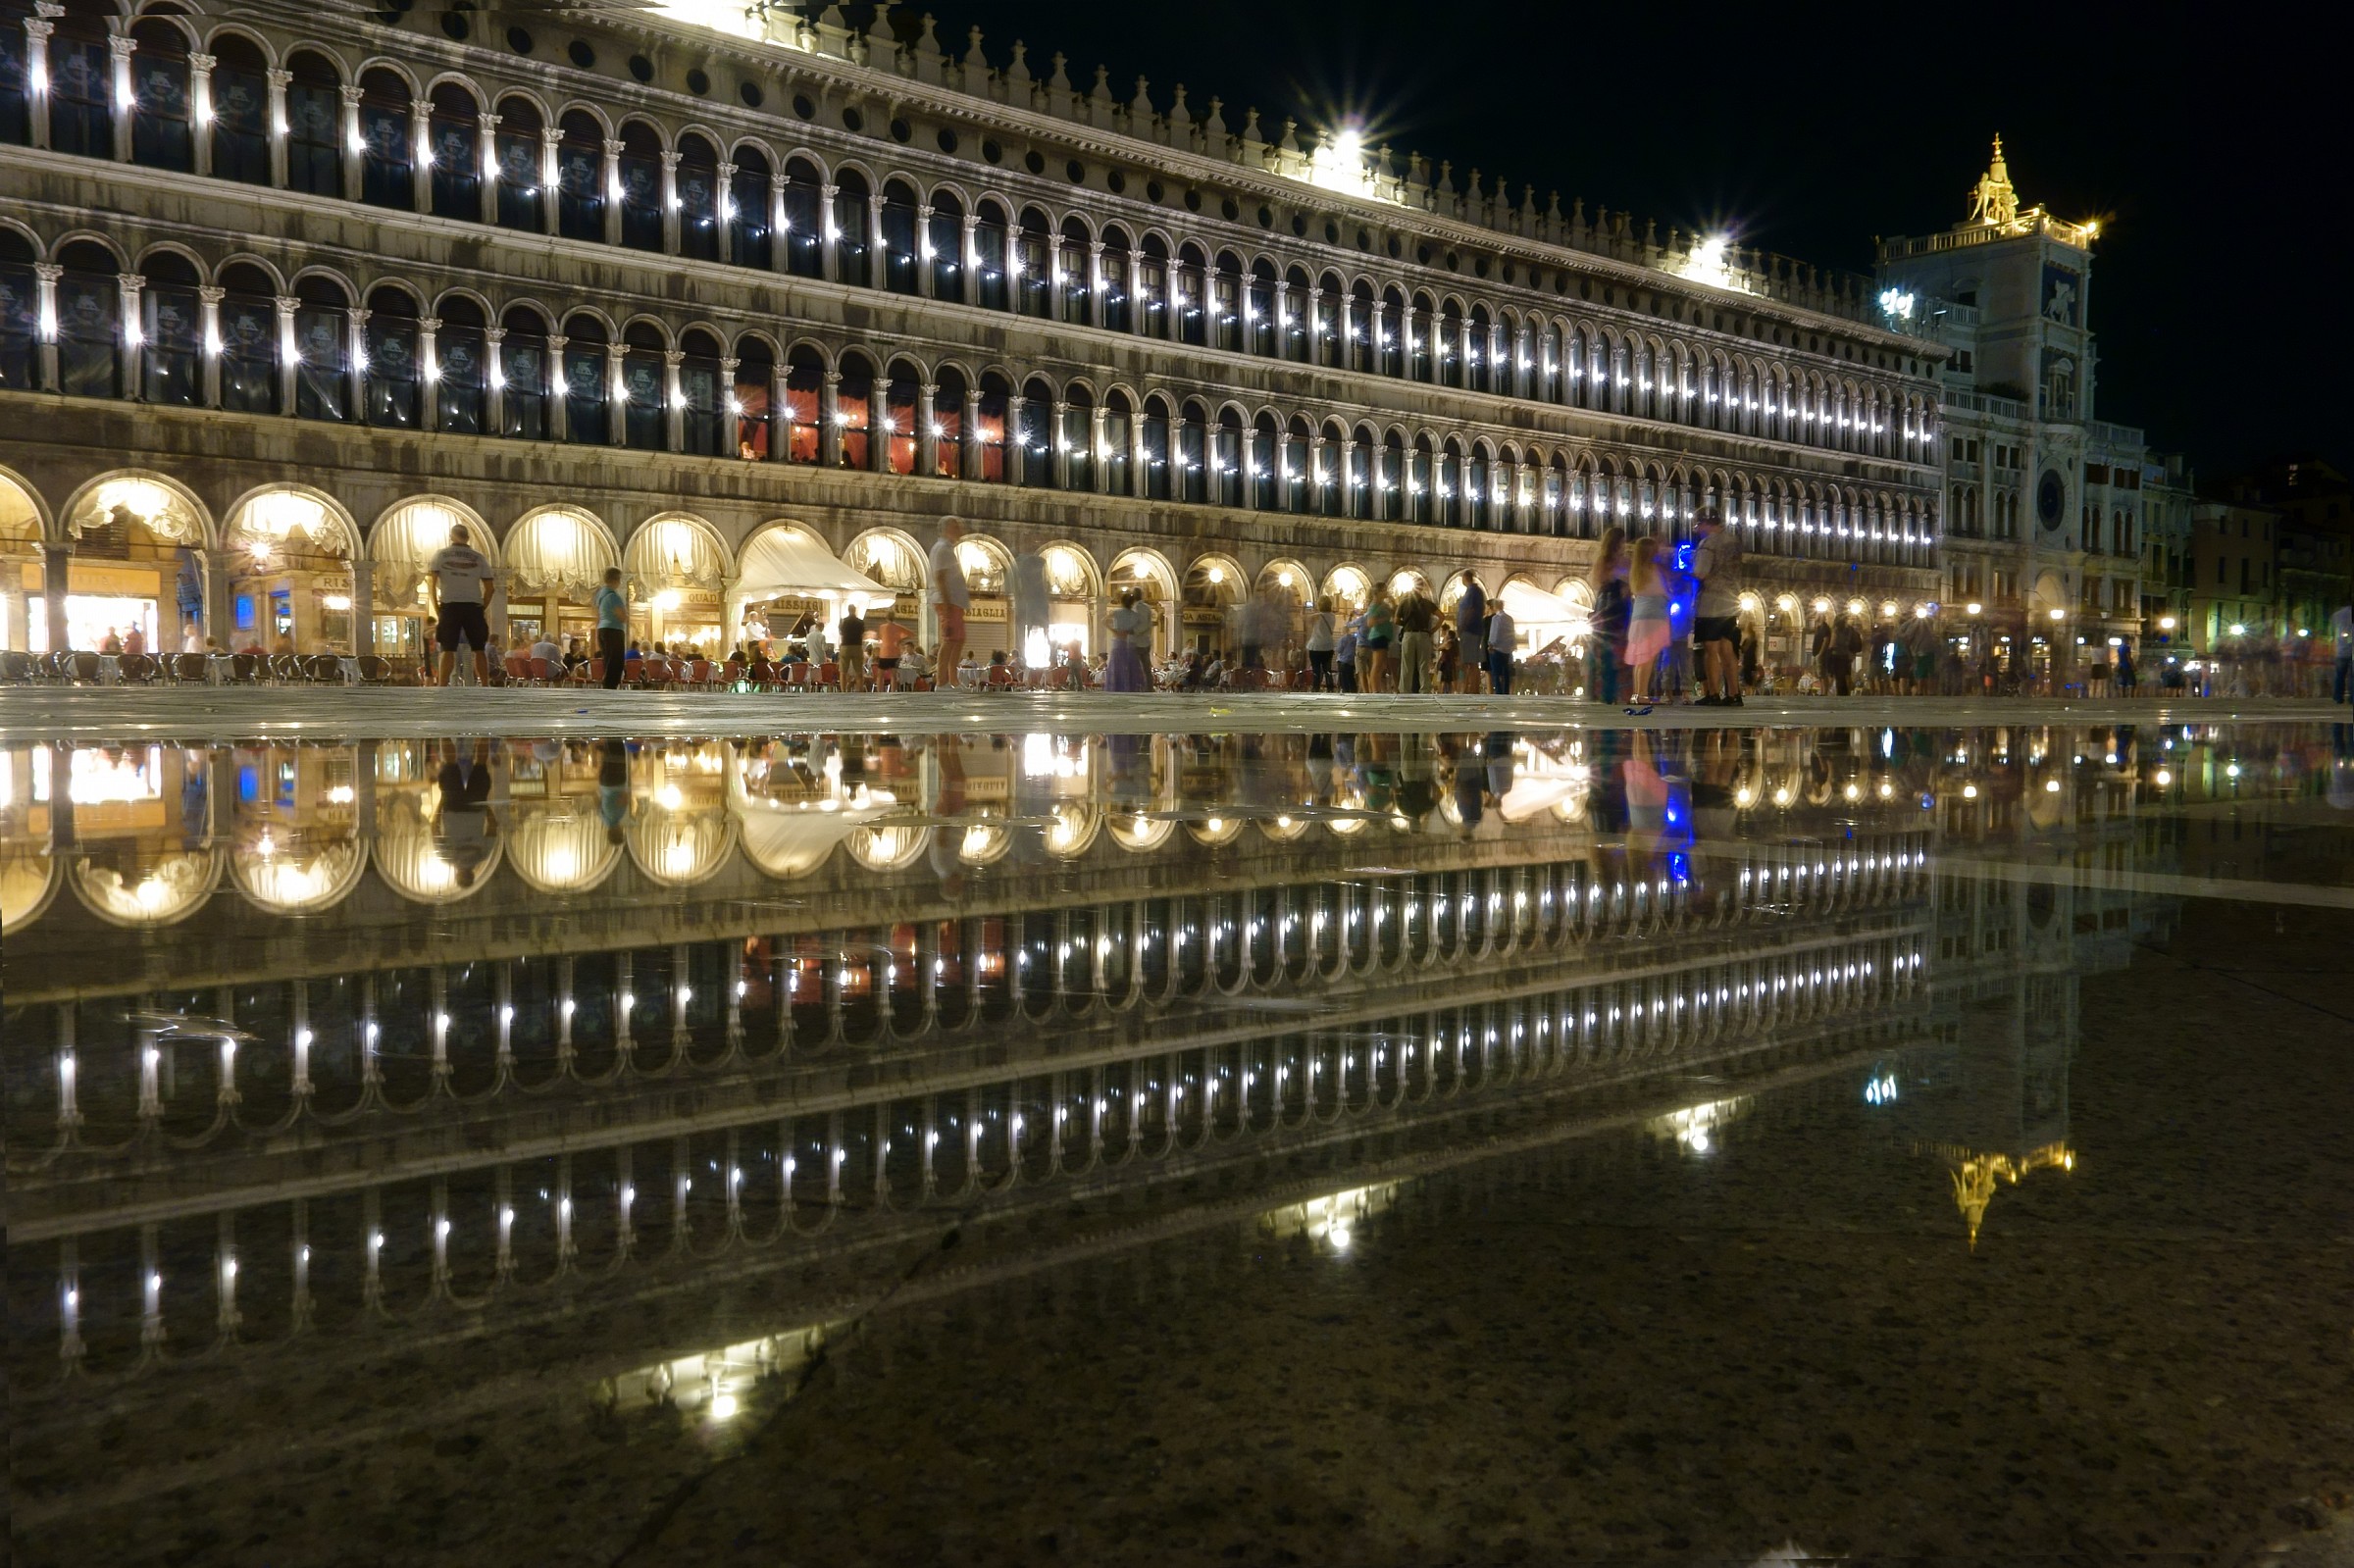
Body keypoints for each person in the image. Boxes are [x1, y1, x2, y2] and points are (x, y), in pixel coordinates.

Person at [427, 522, 498, 688]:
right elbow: (490, 588)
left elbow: (432, 583)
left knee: (448, 648)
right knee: (479, 648)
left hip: (450, 604)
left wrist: (437, 608)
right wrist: (482, 607)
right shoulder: (479, 558)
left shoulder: (440, 555)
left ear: (451, 536)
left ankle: (443, 685)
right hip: (473, 605)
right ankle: (485, 685)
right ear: (468, 538)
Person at [1689, 508, 1742, 706]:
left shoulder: (1708, 543)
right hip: (1730, 601)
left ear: (1705, 524)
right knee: (1728, 649)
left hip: (1711, 603)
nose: (1697, 530)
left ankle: (1713, 693)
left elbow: (1701, 572)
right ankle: (1734, 694)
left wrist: (1684, 572)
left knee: (1711, 649)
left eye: (1698, 525)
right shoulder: (1733, 541)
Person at [1623, 536, 1669, 715]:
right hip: (1654, 616)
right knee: (1648, 658)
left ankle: (1637, 693)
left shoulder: (1636, 570)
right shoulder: (1653, 568)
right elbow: (1662, 591)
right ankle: (1642, 694)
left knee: (1640, 658)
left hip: (1639, 616)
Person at [1588, 527, 1630, 706]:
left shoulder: (1618, 561)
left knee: (1614, 651)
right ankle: (1606, 691)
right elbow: (1601, 581)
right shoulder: (1607, 561)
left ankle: (1610, 691)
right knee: (1608, 651)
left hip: (1613, 604)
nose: (1624, 545)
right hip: (1610, 604)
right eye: (1621, 541)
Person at [928, 517, 970, 680]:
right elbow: (940, 577)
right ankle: (941, 681)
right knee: (950, 639)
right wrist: (946, 603)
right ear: (947, 529)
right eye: (956, 527)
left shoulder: (946, 549)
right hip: (949, 602)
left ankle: (953, 680)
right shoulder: (942, 549)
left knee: (958, 639)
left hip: (954, 602)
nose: (960, 530)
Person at [1104, 587, 1151, 692]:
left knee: (1117, 666)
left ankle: (1116, 688)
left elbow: (1104, 621)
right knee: (1131, 667)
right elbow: (1144, 626)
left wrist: (1114, 631)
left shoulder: (1116, 612)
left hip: (1118, 642)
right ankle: (1131, 688)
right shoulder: (1135, 615)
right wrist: (1131, 631)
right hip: (1131, 643)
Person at [590, 568, 627, 689]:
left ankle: (607, 685)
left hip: (602, 629)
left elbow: (596, 615)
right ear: (616, 580)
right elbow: (621, 616)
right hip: (614, 630)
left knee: (607, 660)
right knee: (616, 661)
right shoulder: (613, 596)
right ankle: (611, 686)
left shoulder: (600, 595)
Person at [1395, 585, 1436, 694]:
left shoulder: (1404, 603)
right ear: (1422, 590)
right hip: (1423, 635)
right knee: (1423, 665)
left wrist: (1406, 623)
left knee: (1407, 665)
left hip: (1409, 634)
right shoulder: (1427, 603)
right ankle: (1425, 690)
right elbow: (1441, 616)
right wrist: (1432, 630)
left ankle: (1404, 690)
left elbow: (1396, 620)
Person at [1453, 573, 1488, 694]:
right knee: (1468, 661)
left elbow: (1470, 610)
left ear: (1465, 578)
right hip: (1473, 629)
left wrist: (1462, 626)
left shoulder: (1473, 591)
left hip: (1470, 630)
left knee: (1471, 662)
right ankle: (1469, 688)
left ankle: (1473, 689)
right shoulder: (1474, 591)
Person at [1361, 590, 1395, 692]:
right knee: (1377, 664)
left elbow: (1394, 612)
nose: (1387, 591)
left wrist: (1392, 601)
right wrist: (1383, 620)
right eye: (1384, 590)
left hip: (1384, 637)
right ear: (1378, 592)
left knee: (1381, 665)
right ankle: (1375, 690)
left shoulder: (1383, 604)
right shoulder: (1374, 606)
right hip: (1378, 636)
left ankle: (1377, 688)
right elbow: (1370, 622)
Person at [1305, 595, 1337, 691]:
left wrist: (1308, 610)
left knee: (1316, 670)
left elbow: (1306, 619)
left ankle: (1316, 688)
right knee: (1327, 670)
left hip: (1316, 646)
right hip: (1328, 646)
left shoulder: (1317, 616)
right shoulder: (1333, 616)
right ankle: (1330, 688)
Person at [1485, 601, 1516, 695]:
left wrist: (1491, 644)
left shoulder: (1496, 618)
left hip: (1497, 648)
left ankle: (1498, 692)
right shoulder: (1509, 618)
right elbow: (1512, 633)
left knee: (1496, 673)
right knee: (1505, 672)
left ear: (1494, 607)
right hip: (1507, 649)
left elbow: (1494, 632)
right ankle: (1506, 691)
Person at [837, 599, 867, 691]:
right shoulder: (860, 622)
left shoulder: (843, 621)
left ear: (848, 610)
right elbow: (862, 633)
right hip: (857, 646)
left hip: (845, 646)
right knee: (859, 672)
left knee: (843, 671)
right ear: (855, 610)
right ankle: (859, 690)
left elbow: (841, 632)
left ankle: (843, 691)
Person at [874, 614, 911, 690]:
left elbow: (880, 637)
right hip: (895, 653)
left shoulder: (882, 627)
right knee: (893, 676)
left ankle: (879, 692)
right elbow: (911, 633)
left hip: (884, 653)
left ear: (886, 618)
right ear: (894, 618)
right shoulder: (898, 627)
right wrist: (900, 640)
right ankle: (893, 692)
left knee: (880, 675)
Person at [2333, 599, 2354, 703]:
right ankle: (2352, 697)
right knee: (2352, 676)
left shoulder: (2337, 615)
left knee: (2340, 675)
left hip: (2341, 650)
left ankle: (2338, 697)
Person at [1334, 616, 1359, 694]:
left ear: (1343, 631)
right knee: (1351, 677)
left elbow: (1339, 650)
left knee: (1344, 678)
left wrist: (1335, 649)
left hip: (1343, 661)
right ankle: (1354, 691)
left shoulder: (1342, 639)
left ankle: (1346, 691)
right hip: (1352, 661)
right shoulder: (1354, 638)